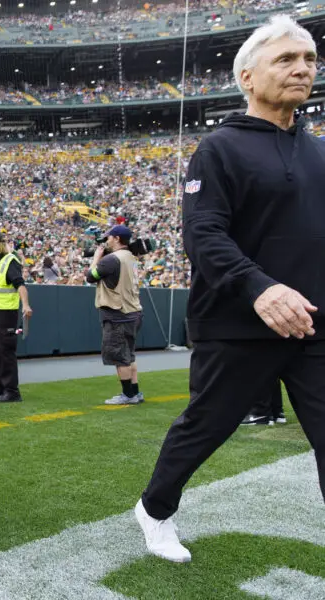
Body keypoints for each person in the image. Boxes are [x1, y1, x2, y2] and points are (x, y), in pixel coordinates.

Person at [135, 16, 325, 564]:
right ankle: (155, 508)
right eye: (286, 59)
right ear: (247, 76)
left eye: (309, 60)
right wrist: (259, 289)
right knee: (206, 427)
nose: (302, 69)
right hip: (238, 322)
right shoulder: (219, 149)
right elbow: (203, 233)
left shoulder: (319, 154)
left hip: (312, 323)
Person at [85, 225, 144, 405]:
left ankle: (128, 395)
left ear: (117, 239)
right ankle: (135, 392)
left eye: (109, 237)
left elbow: (90, 276)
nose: (106, 240)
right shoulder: (131, 257)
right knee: (129, 355)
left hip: (118, 314)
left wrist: (96, 258)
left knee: (120, 357)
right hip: (133, 311)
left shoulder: (111, 259)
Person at [0, 231, 32, 403]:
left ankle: (12, 391)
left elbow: (20, 285)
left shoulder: (9, 261)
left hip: (5, 313)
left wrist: (25, 305)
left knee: (5, 351)